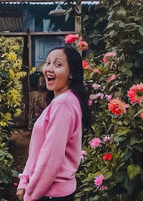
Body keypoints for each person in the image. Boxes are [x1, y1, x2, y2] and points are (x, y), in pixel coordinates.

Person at [16, 46, 91, 201]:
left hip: (51, 193)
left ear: (72, 73)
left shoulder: (63, 104)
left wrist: (30, 195)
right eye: (48, 63)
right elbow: (38, 149)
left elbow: (51, 158)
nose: (49, 68)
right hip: (51, 191)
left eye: (58, 65)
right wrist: (24, 180)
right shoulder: (64, 100)